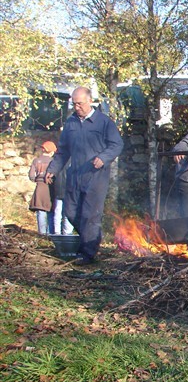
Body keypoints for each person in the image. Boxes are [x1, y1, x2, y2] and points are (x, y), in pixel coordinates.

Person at [46, 86, 124, 265]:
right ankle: (93, 238)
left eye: (79, 103)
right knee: (70, 212)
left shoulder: (104, 122)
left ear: (90, 101)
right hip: (74, 175)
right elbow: (63, 150)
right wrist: (53, 169)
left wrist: (103, 158)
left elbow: (116, 144)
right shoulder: (71, 123)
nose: (76, 107)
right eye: (74, 104)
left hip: (96, 176)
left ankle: (87, 253)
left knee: (90, 215)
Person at [28, 140, 57, 234]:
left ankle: (42, 233)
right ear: (52, 152)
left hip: (40, 188)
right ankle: (51, 234)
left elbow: (31, 176)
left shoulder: (36, 161)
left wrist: (38, 179)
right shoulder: (54, 161)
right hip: (51, 188)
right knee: (51, 210)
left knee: (40, 211)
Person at [52, 163, 74, 235]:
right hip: (69, 191)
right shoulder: (73, 161)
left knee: (57, 211)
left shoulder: (58, 162)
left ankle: (56, 231)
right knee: (68, 212)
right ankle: (67, 232)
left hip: (58, 189)